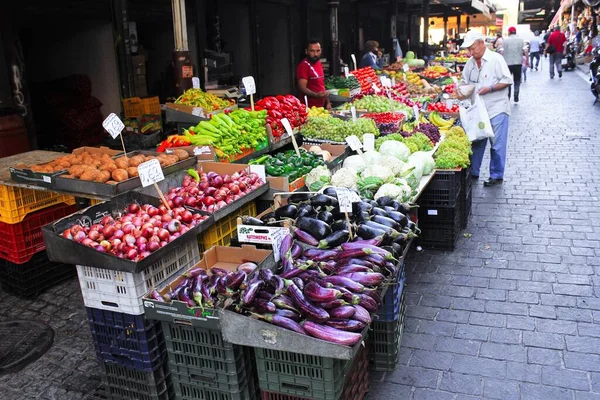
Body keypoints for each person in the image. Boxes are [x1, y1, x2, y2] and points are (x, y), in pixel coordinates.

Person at [460, 30, 513, 187]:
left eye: (472, 48)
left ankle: (496, 175)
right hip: (478, 110)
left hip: (497, 108)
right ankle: (473, 172)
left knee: (497, 144)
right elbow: (464, 81)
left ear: (481, 44)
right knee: (477, 140)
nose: (470, 52)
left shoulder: (496, 59)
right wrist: (461, 90)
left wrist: (489, 88)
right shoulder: (470, 63)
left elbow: (507, 80)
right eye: (468, 49)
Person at [296, 38, 330, 109]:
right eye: (312, 51)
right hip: (309, 108)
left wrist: (328, 102)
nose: (315, 54)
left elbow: (322, 85)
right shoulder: (304, 66)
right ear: (306, 51)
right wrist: (316, 95)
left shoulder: (319, 63)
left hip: (320, 107)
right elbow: (302, 88)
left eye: (318, 51)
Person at [503, 27, 524, 102]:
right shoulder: (521, 40)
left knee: (508, 80)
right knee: (517, 80)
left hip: (507, 63)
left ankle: (508, 96)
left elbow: (502, 51)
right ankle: (516, 93)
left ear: (509, 32)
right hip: (518, 62)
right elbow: (525, 50)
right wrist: (527, 60)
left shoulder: (505, 40)